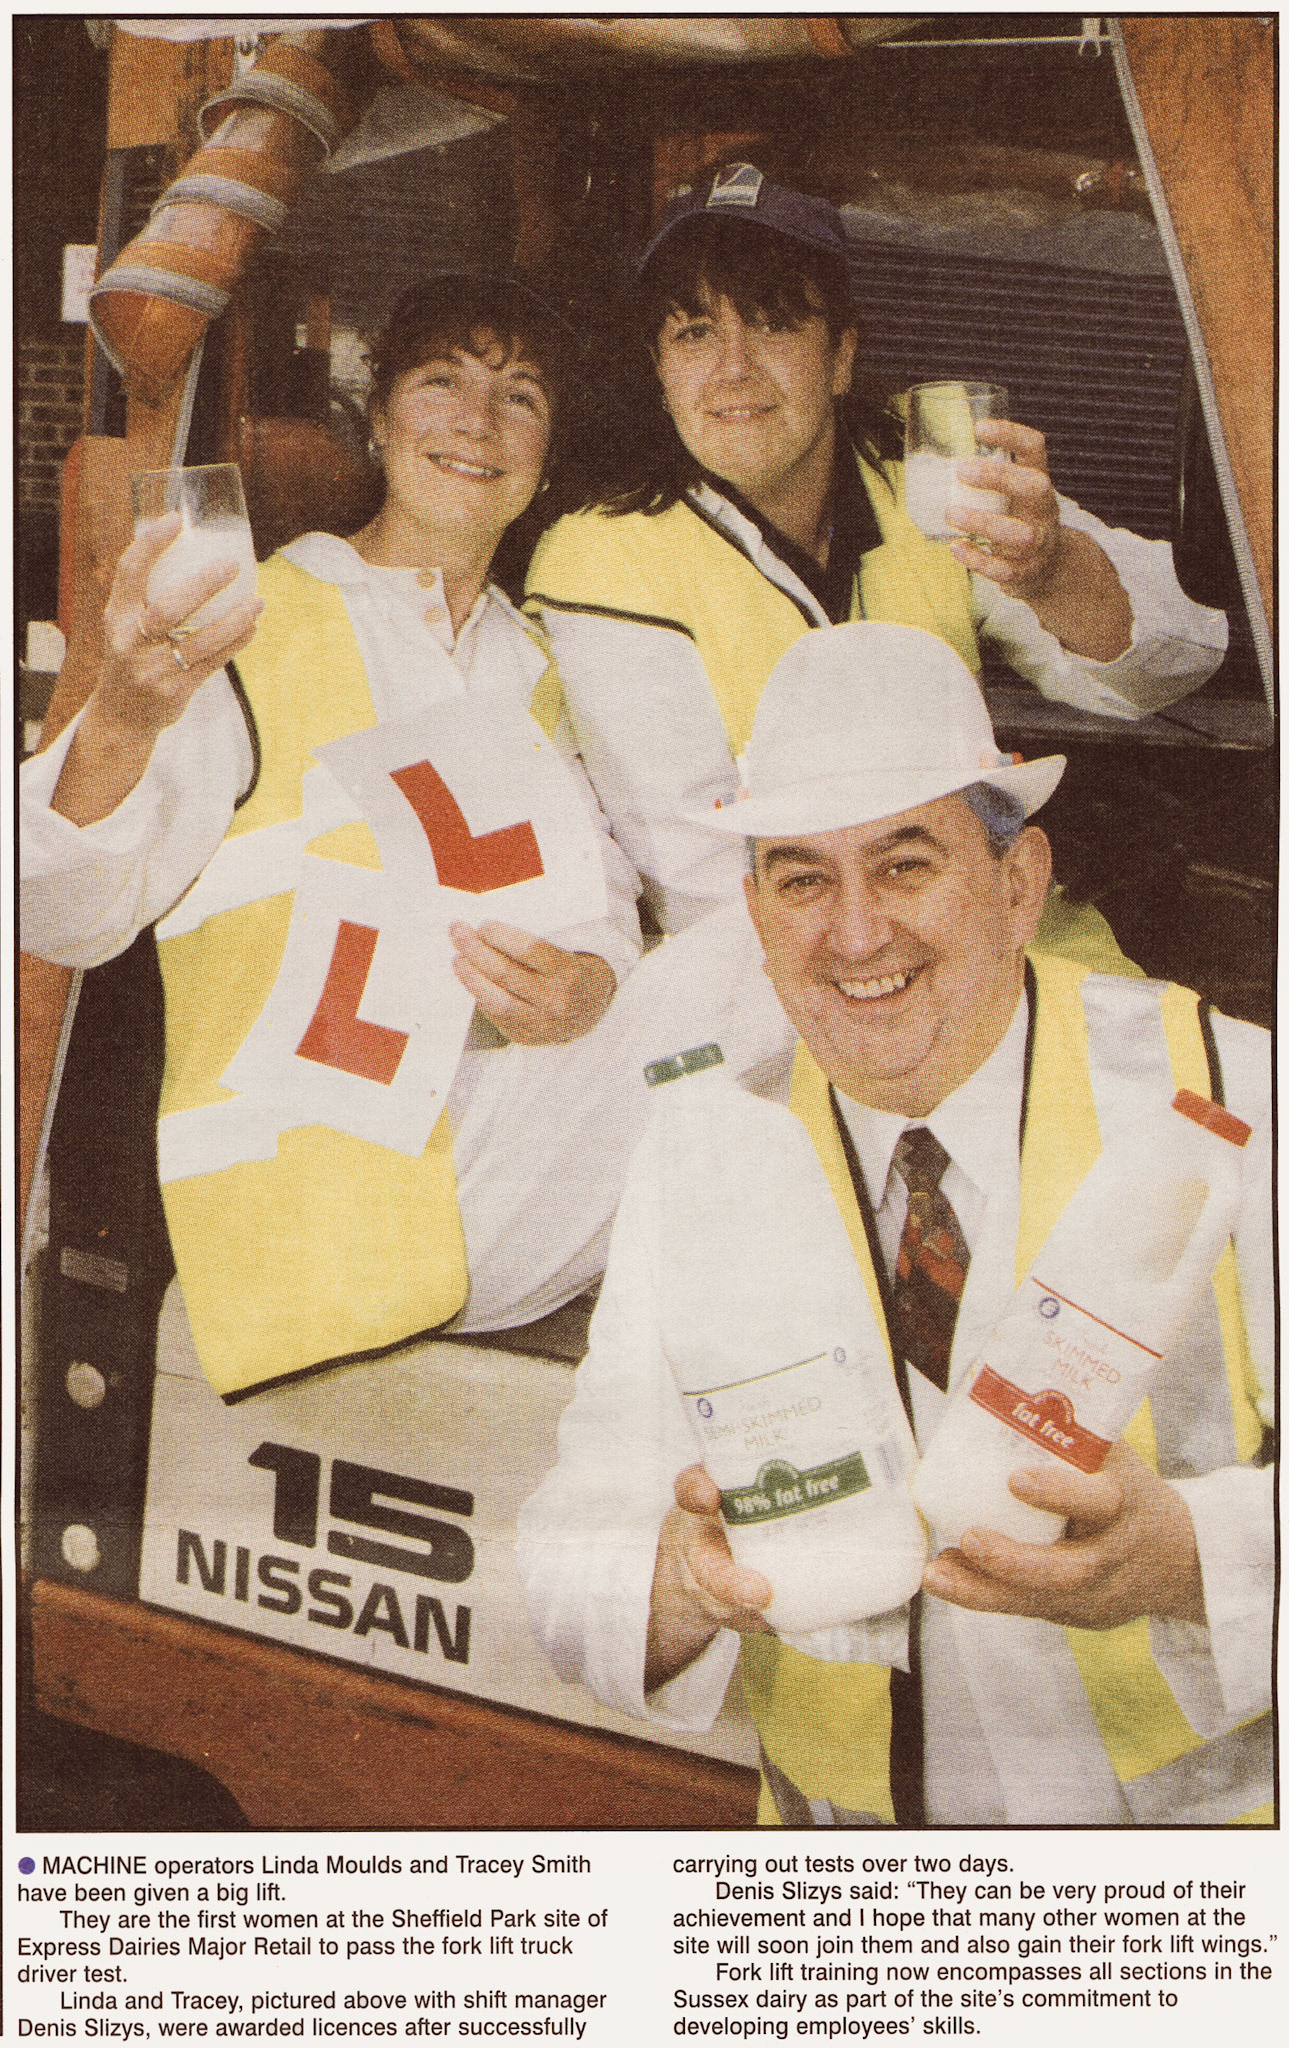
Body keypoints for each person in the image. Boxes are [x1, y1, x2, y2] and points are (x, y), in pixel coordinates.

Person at [517, 621, 1272, 1828]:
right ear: (756, 912)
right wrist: (685, 1582)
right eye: (803, 877)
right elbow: (570, 1549)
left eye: (905, 863)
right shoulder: (713, 1151)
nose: (855, 933)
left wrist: (1189, 1553)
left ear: (1019, 882)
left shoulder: (1233, 1102)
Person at [20, 274, 643, 1400]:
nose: (474, 422)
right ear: (378, 420)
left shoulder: (536, 664)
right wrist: (119, 714)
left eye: (518, 398)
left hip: (484, 1161)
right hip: (299, 1222)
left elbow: (598, 910)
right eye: (439, 383)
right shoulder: (246, 621)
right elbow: (55, 911)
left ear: (548, 454)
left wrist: (590, 984)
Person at [526, 162, 1230, 939]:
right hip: (790, 985)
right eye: (693, 332)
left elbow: (1180, 654)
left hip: (1007, 940)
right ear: (659, 373)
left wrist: (1054, 570)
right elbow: (705, 888)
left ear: (841, 356)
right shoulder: (600, 556)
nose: (732, 367)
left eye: (772, 321)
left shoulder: (921, 470)